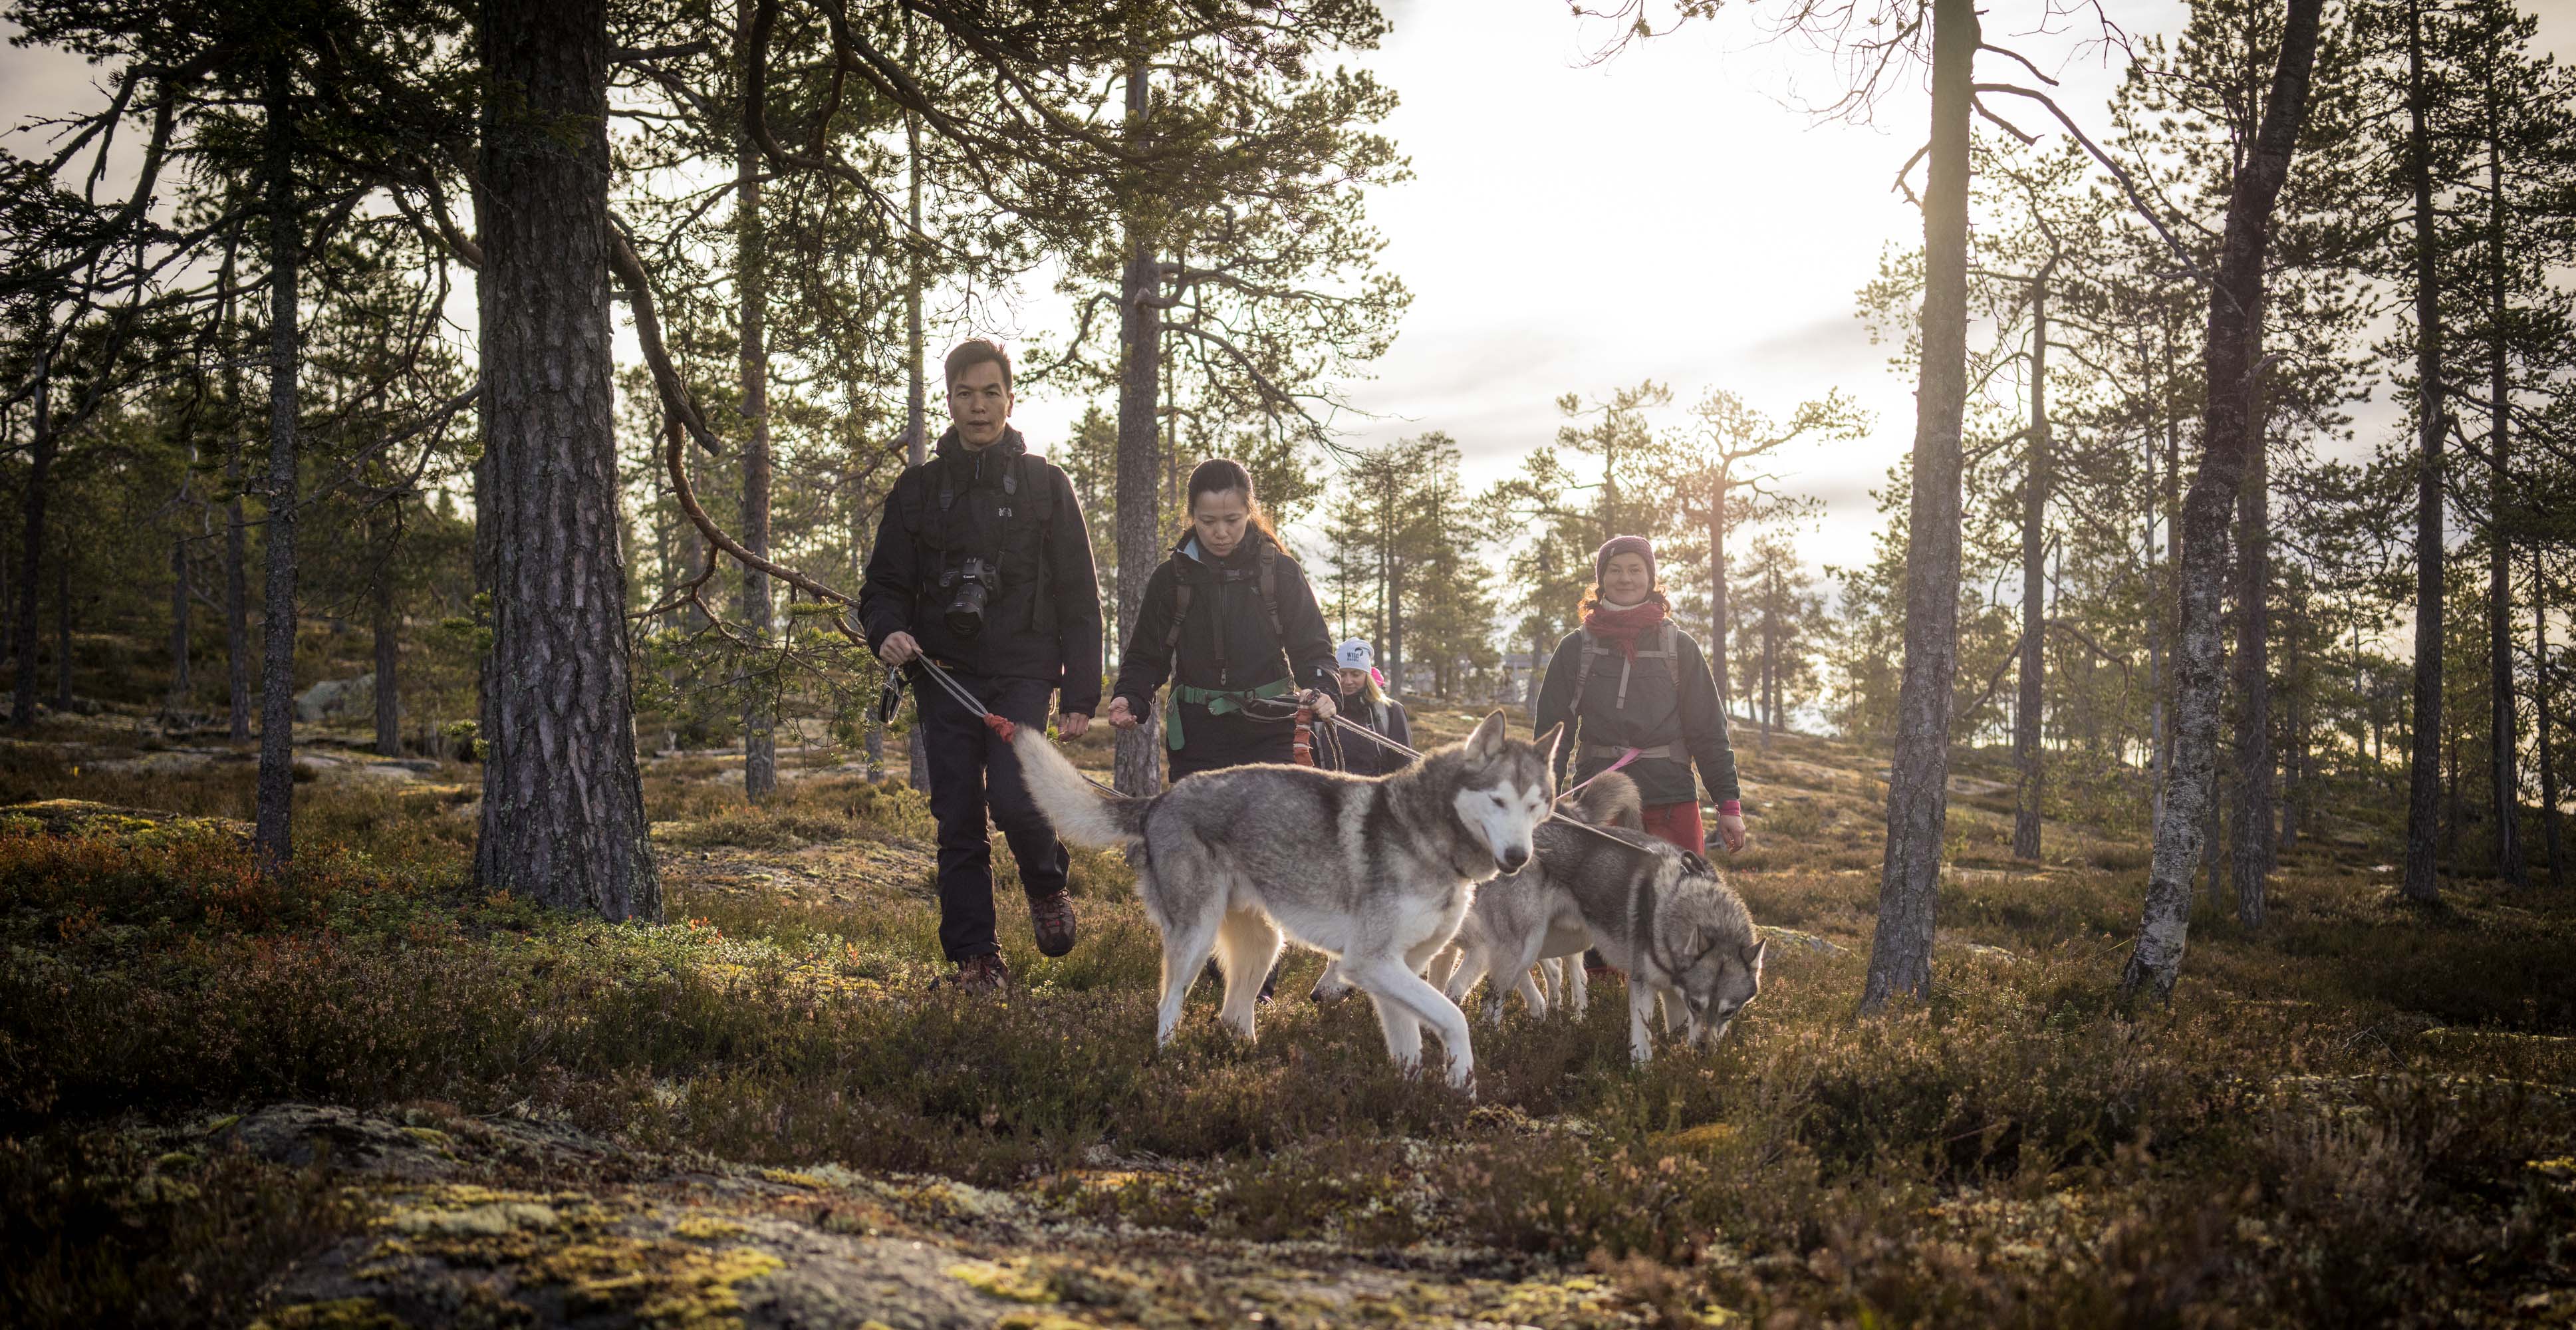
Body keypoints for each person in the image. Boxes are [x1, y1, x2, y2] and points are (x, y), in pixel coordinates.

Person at [859, 339, 1102, 995]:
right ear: (948, 400)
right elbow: (881, 587)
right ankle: (977, 959)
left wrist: (1082, 691)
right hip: (942, 672)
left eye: (990, 391)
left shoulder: (1045, 486)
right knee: (958, 814)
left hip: (1024, 669)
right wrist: (887, 633)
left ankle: (1046, 879)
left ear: (1009, 398)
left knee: (1018, 798)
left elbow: (1080, 597)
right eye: (965, 392)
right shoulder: (917, 490)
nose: (978, 405)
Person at [1106, 459, 1343, 779]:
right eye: (1208, 521)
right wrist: (1130, 697)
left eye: (1232, 520)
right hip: (1196, 740)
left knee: (1267, 828)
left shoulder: (1281, 572)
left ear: (1250, 511)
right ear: (1192, 516)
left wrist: (1322, 687)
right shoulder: (1170, 580)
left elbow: (1313, 649)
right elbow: (1147, 657)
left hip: (1272, 732)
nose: (1220, 533)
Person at [1533, 535, 1748, 859]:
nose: (1625, 578)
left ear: (1650, 578)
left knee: (1680, 902)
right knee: (1601, 905)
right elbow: (1553, 735)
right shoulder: (1576, 648)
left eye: (1635, 569)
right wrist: (1541, 799)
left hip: (1671, 799)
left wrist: (1728, 804)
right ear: (1601, 580)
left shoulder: (1680, 647)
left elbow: (1708, 731)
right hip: (1599, 802)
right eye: (1615, 570)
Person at [1317, 638, 1412, 776]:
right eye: (1342, 674)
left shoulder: (1391, 711)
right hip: (1331, 793)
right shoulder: (1322, 710)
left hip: (1376, 793)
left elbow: (1405, 764)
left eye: (1356, 674)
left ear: (1367, 676)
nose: (1348, 681)